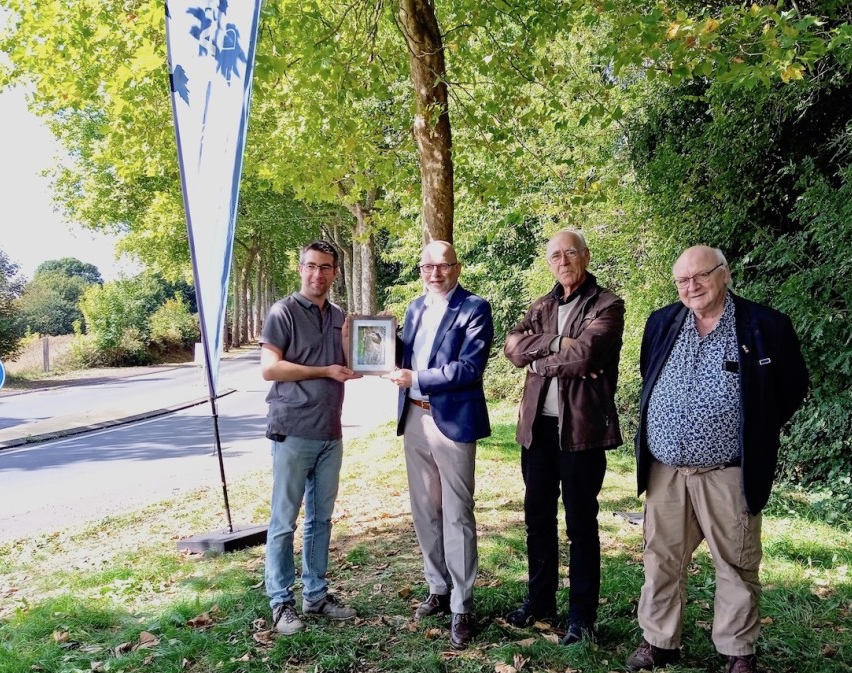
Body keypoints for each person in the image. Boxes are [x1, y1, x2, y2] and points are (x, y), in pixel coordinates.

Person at [626, 244, 808, 673]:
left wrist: (753, 428)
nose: (691, 287)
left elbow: (790, 388)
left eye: (700, 276)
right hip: (666, 470)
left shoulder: (765, 325)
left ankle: (738, 654)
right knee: (661, 558)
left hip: (727, 470)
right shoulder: (662, 321)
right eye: (682, 281)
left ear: (724, 274)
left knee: (736, 563)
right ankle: (660, 641)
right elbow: (649, 374)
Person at [504, 229, 625, 646]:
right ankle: (540, 602)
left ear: (585, 256)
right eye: (554, 255)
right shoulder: (542, 305)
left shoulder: (607, 304)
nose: (562, 261)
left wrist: (540, 363)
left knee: (580, 522)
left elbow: (588, 354)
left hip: (581, 432)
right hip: (537, 430)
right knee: (537, 519)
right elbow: (513, 348)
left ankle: (581, 616)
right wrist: (555, 342)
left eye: (569, 253)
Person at [385, 240, 494, 650]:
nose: (435, 273)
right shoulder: (414, 308)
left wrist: (418, 379)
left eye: (443, 266)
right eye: (428, 266)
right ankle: (438, 587)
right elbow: (401, 353)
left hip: (452, 420)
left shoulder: (475, 308)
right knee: (424, 510)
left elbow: (469, 368)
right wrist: (369, 340)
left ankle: (463, 606)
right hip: (414, 416)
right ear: (420, 270)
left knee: (457, 512)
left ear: (457, 268)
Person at [260, 240, 361, 635]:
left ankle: (315, 594)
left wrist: (362, 337)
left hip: (330, 430)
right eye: (311, 266)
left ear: (335, 273)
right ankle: (280, 602)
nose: (318, 274)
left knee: (321, 519)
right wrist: (323, 371)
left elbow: (350, 365)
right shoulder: (282, 311)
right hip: (291, 429)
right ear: (301, 268)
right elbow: (270, 369)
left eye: (326, 267)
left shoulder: (338, 315)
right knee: (284, 521)